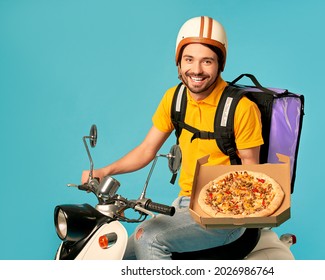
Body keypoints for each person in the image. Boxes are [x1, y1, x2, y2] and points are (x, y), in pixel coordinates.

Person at [81, 16, 263, 259]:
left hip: (225, 216)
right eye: (189, 59)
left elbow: (253, 175)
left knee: (149, 237)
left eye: (207, 61)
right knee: (120, 255)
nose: (196, 70)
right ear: (178, 62)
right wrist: (106, 171)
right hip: (184, 205)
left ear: (220, 64)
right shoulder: (175, 98)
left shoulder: (240, 108)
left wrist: (219, 203)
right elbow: (147, 149)